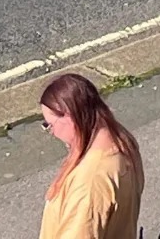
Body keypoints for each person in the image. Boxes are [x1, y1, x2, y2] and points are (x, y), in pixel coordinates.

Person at [37, 72, 144, 239]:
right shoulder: (122, 140)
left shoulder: (91, 181)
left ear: (69, 116)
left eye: (49, 124)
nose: (52, 133)